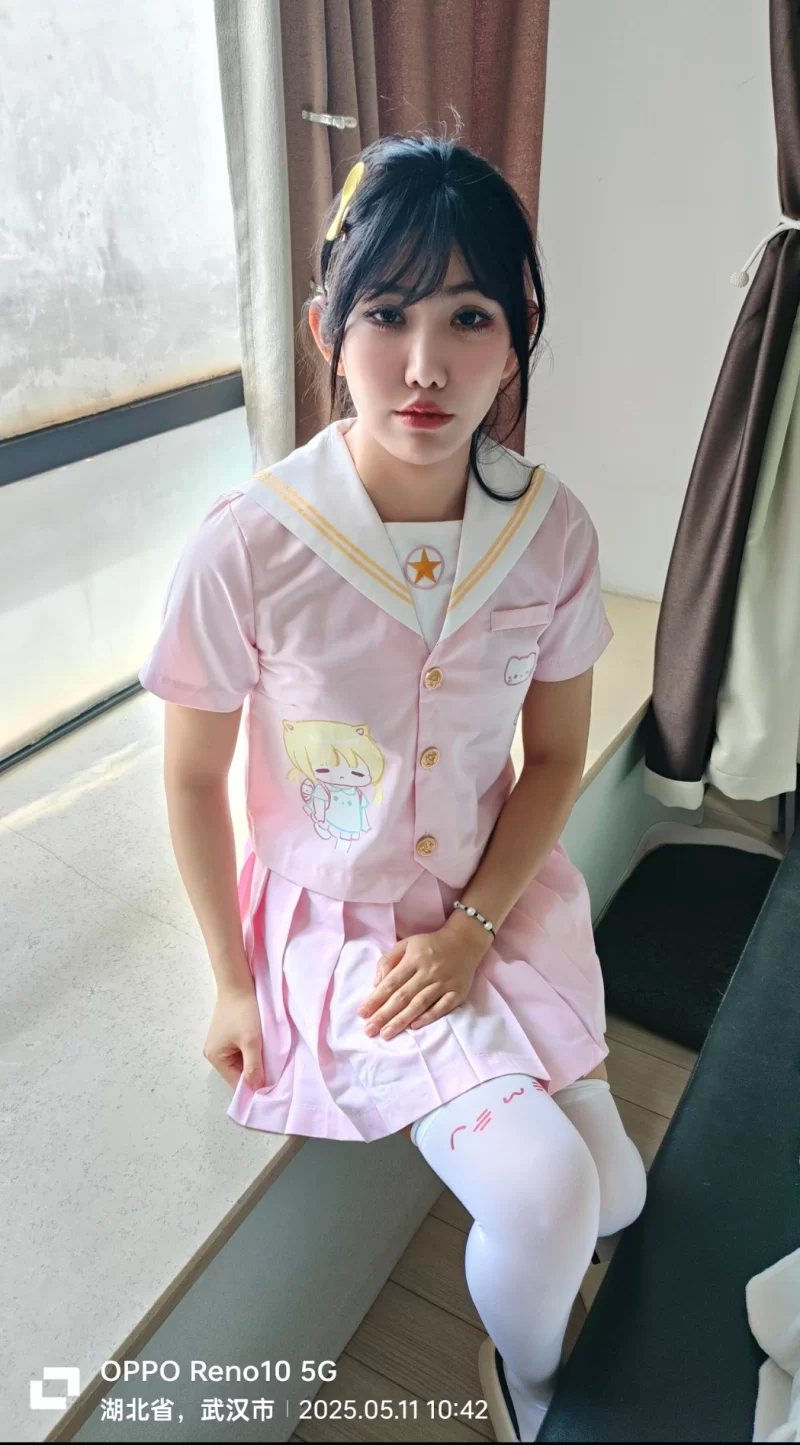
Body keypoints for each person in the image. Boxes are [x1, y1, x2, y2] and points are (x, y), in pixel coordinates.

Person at [138, 132, 646, 1442]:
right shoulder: (250, 544)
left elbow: (555, 758)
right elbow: (192, 778)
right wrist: (232, 978)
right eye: (386, 314)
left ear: (517, 339)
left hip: (496, 900)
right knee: (547, 1197)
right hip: (341, 927)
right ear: (327, 327)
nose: (425, 365)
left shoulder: (552, 530)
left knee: (617, 1195)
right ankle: (535, 1393)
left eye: (469, 317)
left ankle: (537, 1305)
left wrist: (474, 928)